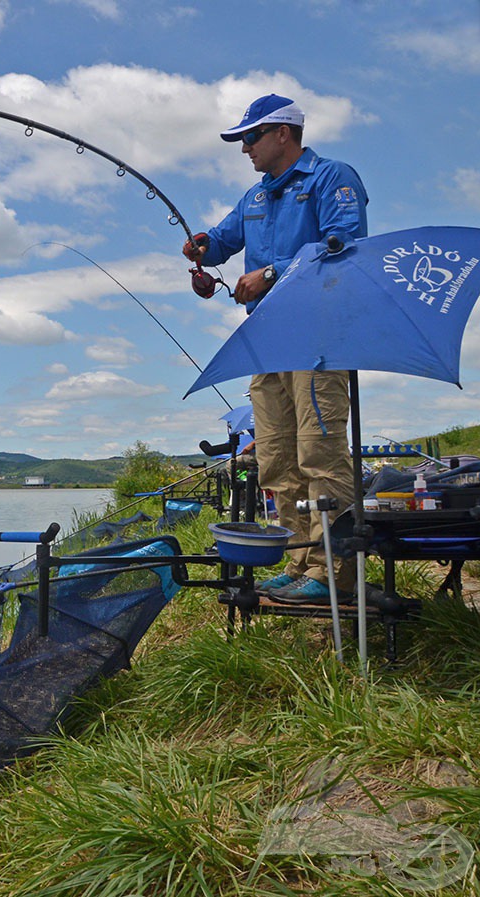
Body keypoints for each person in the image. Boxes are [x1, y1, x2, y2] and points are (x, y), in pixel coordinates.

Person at [183, 93, 369, 604]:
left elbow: (344, 249)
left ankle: (336, 575)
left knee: (320, 453)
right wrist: (201, 251)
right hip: (266, 341)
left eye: (250, 137)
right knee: (276, 460)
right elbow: (220, 241)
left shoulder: (333, 177)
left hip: (318, 338)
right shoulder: (255, 197)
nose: (244, 148)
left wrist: (269, 273)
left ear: (282, 133)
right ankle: (299, 562)